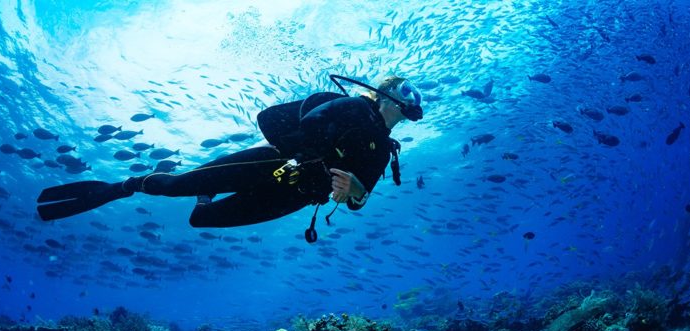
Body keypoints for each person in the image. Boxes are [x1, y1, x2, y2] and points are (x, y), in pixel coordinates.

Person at [36, 75, 423, 240]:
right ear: (386, 94)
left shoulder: (384, 150)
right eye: (407, 90)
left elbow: (359, 200)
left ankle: (205, 196)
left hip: (297, 196)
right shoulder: (353, 107)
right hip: (275, 163)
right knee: (175, 186)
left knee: (203, 218)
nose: (413, 99)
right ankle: (123, 186)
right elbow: (303, 122)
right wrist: (315, 156)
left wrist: (355, 192)